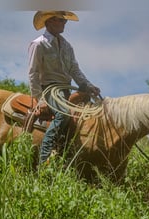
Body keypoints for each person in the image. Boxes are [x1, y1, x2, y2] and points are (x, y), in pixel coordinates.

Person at [28, 11, 101, 164]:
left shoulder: (67, 46)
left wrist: (89, 85)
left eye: (64, 21)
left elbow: (75, 70)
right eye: (61, 20)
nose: (64, 23)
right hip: (49, 89)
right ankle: (44, 157)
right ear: (49, 22)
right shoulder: (38, 44)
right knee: (63, 114)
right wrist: (39, 99)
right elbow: (33, 72)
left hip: (67, 87)